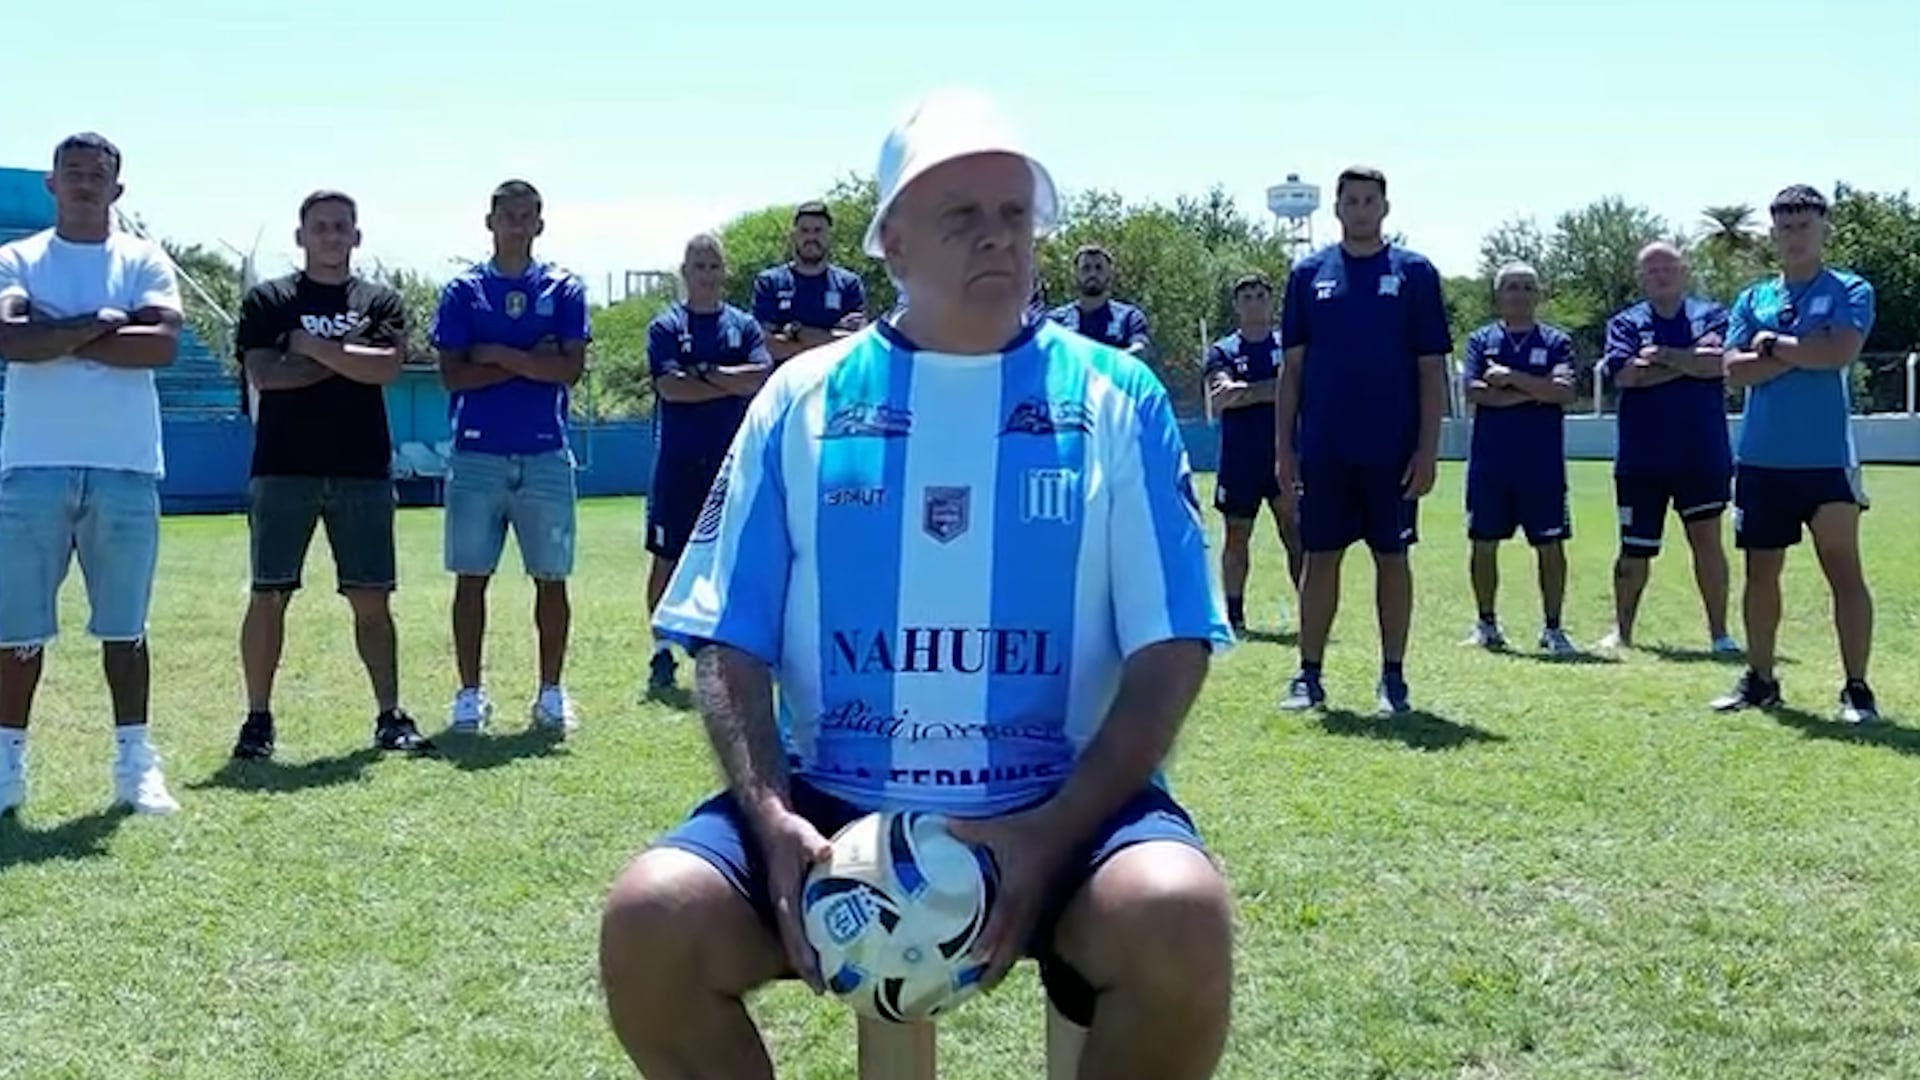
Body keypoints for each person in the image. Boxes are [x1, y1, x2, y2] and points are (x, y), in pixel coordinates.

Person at [599, 89, 1235, 1080]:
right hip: (831, 801)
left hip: (1062, 807)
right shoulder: (800, 398)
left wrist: (1049, 833)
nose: (998, 236)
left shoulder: (1118, 397)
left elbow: (1172, 647)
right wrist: (770, 819)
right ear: (891, 242)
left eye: (1015, 212)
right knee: (653, 923)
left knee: (1178, 914)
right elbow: (728, 638)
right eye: (961, 214)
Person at [0, 133, 183, 816]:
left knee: (125, 629)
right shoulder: (17, 259)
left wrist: (57, 333)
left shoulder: (143, 259)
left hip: (125, 465)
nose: (84, 183)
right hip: (32, 465)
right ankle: (7, 764)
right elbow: (10, 340)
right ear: (51, 183)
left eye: (96, 174)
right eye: (72, 172)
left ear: (116, 188)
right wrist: (103, 324)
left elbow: (160, 346)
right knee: (15, 631)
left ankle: (136, 764)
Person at [229, 191, 432, 760]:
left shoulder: (379, 300)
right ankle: (257, 719)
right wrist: (346, 356)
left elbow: (385, 368)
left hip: (361, 467)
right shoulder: (269, 299)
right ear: (301, 236)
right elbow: (267, 375)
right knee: (269, 593)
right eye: (320, 227)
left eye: (341, 226)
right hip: (283, 466)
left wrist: (312, 348)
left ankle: (390, 715)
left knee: (372, 598)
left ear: (356, 236)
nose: (331, 236)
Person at [1274, 166, 1451, 715]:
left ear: (1385, 207)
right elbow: (1292, 370)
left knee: (1392, 557)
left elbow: (1431, 370)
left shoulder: (1415, 273)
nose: (1360, 209)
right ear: (1336, 208)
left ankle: (1393, 678)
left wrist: (1427, 448)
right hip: (1325, 448)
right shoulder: (1308, 275)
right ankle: (1308, 675)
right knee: (1319, 557)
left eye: (1369, 200)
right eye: (1350, 201)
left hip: (1391, 450)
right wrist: (1284, 448)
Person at [431, 180, 591, 735]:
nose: (517, 225)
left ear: (540, 223)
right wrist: (529, 360)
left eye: (527, 216)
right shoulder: (464, 290)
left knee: (552, 578)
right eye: (508, 216)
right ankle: (469, 694)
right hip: (476, 452)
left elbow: (569, 370)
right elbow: (453, 375)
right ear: (490, 222)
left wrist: (496, 354)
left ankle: (551, 693)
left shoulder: (564, 288)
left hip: (545, 452)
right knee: (470, 577)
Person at [1717, 184, 1879, 722]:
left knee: (1843, 571)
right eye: (1785, 227)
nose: (1794, 236)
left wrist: (1771, 345)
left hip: (1827, 460)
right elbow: (1734, 370)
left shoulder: (1850, 288)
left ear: (1823, 229)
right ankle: (1761, 679)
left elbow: (1840, 352)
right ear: (1773, 234)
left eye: (1804, 225)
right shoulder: (1752, 299)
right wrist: (1802, 350)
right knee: (1760, 573)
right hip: (1762, 460)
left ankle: (1856, 688)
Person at [643, 234, 772, 694]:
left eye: (714, 266)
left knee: (732, 555)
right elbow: (671, 388)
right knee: (667, 556)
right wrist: (725, 383)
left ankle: (727, 648)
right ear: (685, 271)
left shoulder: (743, 325)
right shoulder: (666, 326)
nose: (707, 274)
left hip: (731, 463)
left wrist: (706, 372)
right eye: (699, 266)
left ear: (724, 271)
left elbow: (758, 378)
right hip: (679, 461)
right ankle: (662, 651)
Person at [1598, 242, 1739, 655]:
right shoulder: (1625, 323)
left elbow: (1720, 365)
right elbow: (1627, 375)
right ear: (1640, 278)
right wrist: (1690, 363)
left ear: (1684, 271)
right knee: (1634, 550)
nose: (1661, 275)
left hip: (1702, 453)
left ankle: (1720, 634)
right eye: (1652, 270)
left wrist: (1663, 357)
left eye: (1668, 267)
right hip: (1642, 459)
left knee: (1707, 543)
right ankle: (1622, 632)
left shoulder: (1712, 315)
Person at [1458, 263, 1578, 655]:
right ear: (1498, 295)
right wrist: (1536, 392)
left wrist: (1510, 377)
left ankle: (1553, 628)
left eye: (1527, 287)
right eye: (1511, 287)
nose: (1520, 294)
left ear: (1538, 294)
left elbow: (1563, 392)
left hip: (1542, 465)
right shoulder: (1481, 341)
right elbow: (1475, 392)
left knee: (1550, 545)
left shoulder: (1556, 341)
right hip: (1491, 464)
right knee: (1483, 543)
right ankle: (1486, 624)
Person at [1204, 272, 1301, 633]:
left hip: (1285, 455)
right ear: (1237, 305)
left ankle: (1310, 608)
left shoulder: (1289, 344)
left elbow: (1302, 387)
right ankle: (1234, 615)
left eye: (1261, 296)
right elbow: (1222, 397)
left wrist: (1247, 392)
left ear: (1271, 302)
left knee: (1295, 533)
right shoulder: (1223, 350)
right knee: (1236, 535)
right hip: (1240, 460)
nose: (1254, 303)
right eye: (1246, 297)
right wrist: (1275, 388)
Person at [752, 201, 866, 365]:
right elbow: (766, 346)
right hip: (786, 378)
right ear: (793, 235)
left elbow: (855, 344)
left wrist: (796, 333)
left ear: (829, 235)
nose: (811, 237)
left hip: (834, 378)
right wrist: (829, 338)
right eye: (804, 231)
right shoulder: (769, 282)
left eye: (818, 231)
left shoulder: (849, 284)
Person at [1045, 244, 1151, 356]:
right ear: (1075, 274)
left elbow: (1139, 348)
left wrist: (1108, 363)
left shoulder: (1129, 318)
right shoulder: (1055, 321)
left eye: (1099, 268)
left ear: (1109, 274)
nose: (1093, 274)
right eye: (1086, 268)